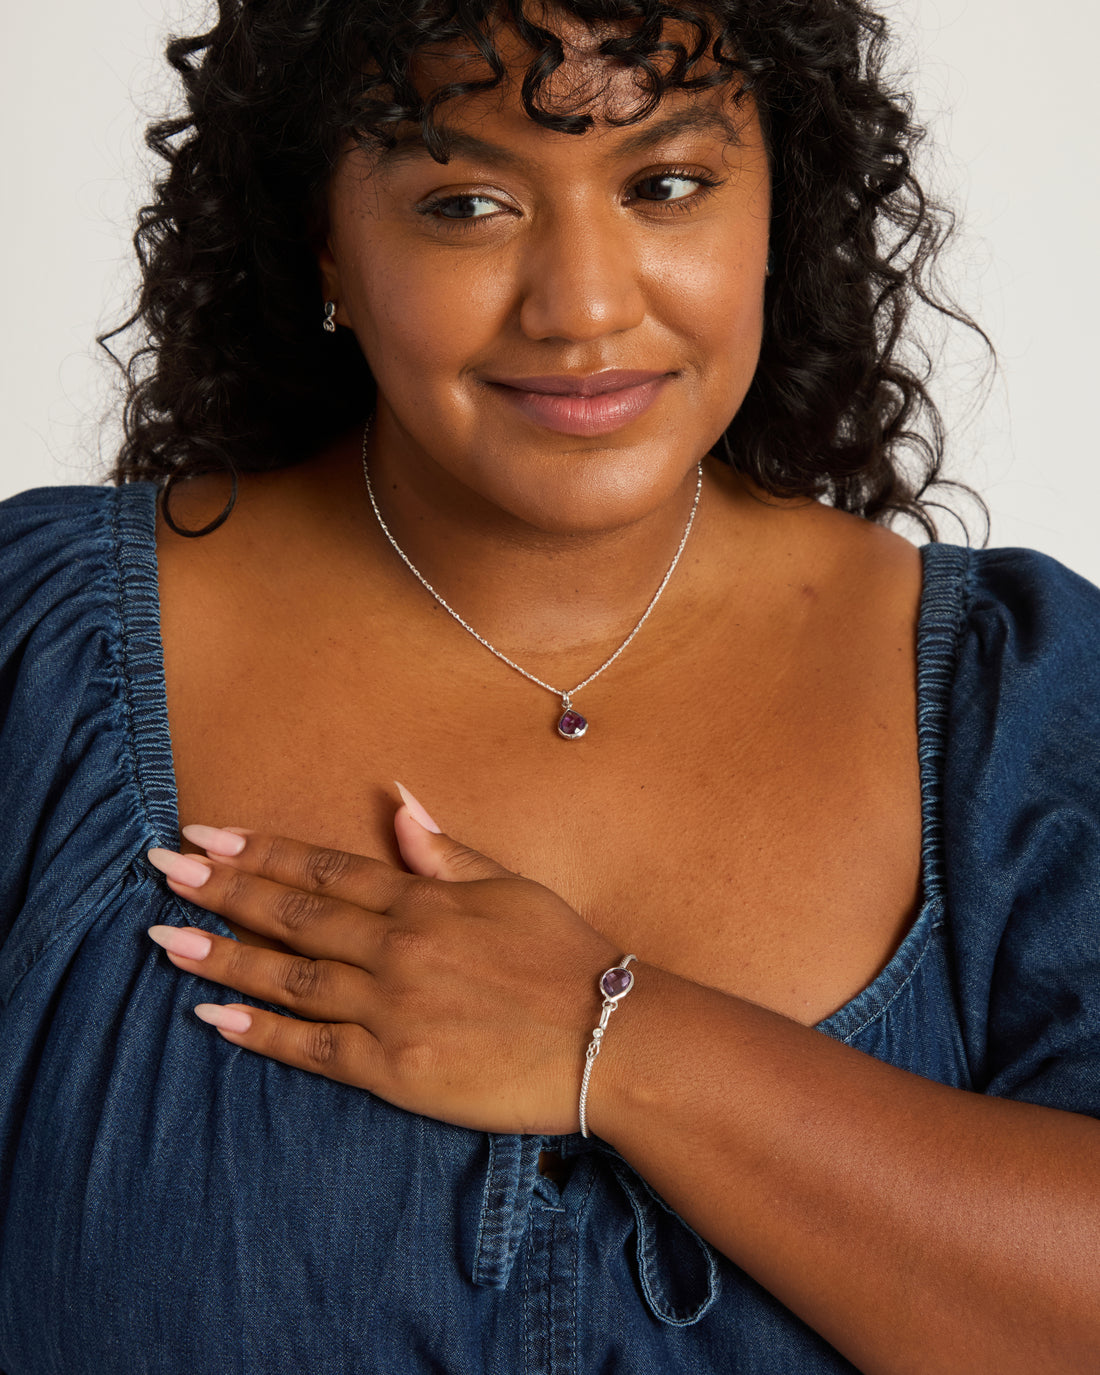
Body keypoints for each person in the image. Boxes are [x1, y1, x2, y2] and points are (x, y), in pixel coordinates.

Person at [1, 0, 1098, 1371]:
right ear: (327, 237)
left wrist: (616, 1040)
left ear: (780, 210)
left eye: (669, 184)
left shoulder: (1026, 698)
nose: (583, 305)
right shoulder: (34, 659)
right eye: (466, 203)